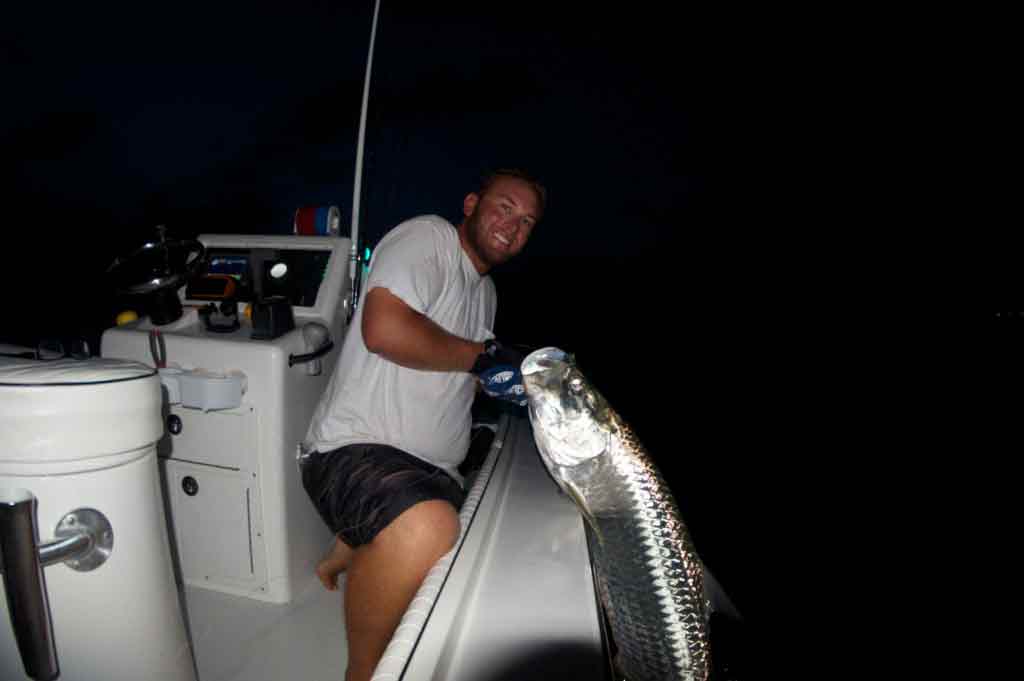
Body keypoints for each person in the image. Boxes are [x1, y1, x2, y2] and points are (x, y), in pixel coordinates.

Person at [300, 168, 545, 681]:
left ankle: (347, 549)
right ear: (472, 203)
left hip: (434, 468)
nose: (513, 226)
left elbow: (459, 367)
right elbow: (384, 330)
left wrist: (503, 380)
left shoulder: (488, 293)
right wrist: (481, 358)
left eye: (526, 222)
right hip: (353, 451)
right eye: (504, 207)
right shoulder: (427, 238)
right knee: (427, 528)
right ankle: (362, 673)